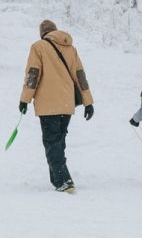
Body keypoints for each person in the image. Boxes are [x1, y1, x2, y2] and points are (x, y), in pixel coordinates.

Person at [17, 19, 94, 193]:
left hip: (47, 103)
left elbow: (33, 74)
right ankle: (57, 178)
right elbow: (80, 76)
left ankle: (63, 181)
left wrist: (25, 99)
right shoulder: (70, 48)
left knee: (52, 142)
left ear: (42, 33)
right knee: (58, 141)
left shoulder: (38, 46)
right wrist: (88, 102)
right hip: (66, 104)